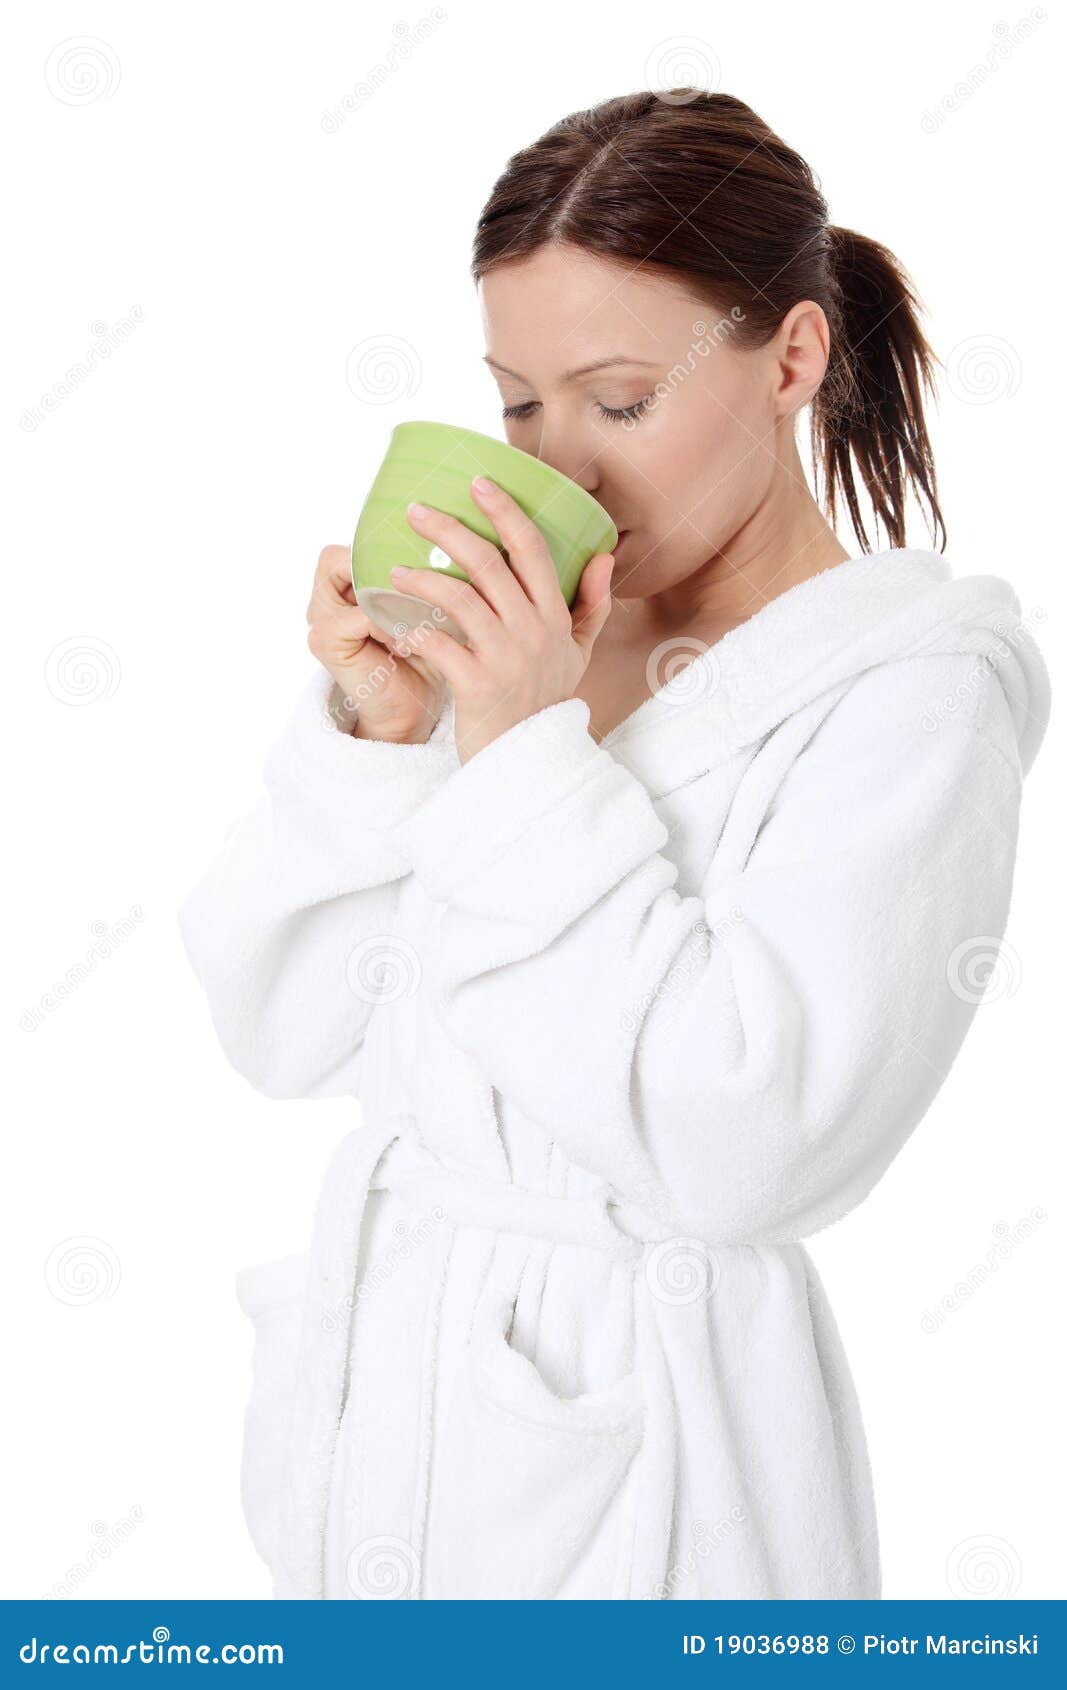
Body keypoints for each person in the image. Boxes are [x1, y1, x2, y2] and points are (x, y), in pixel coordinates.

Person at [178, 89, 1051, 1600]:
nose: (558, 468)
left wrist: (519, 753)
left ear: (793, 355)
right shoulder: (529, 631)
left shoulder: (913, 687)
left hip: (657, 1493)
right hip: (381, 1443)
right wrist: (382, 739)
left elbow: (756, 1140)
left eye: (620, 399)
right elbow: (283, 1029)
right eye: (519, 404)